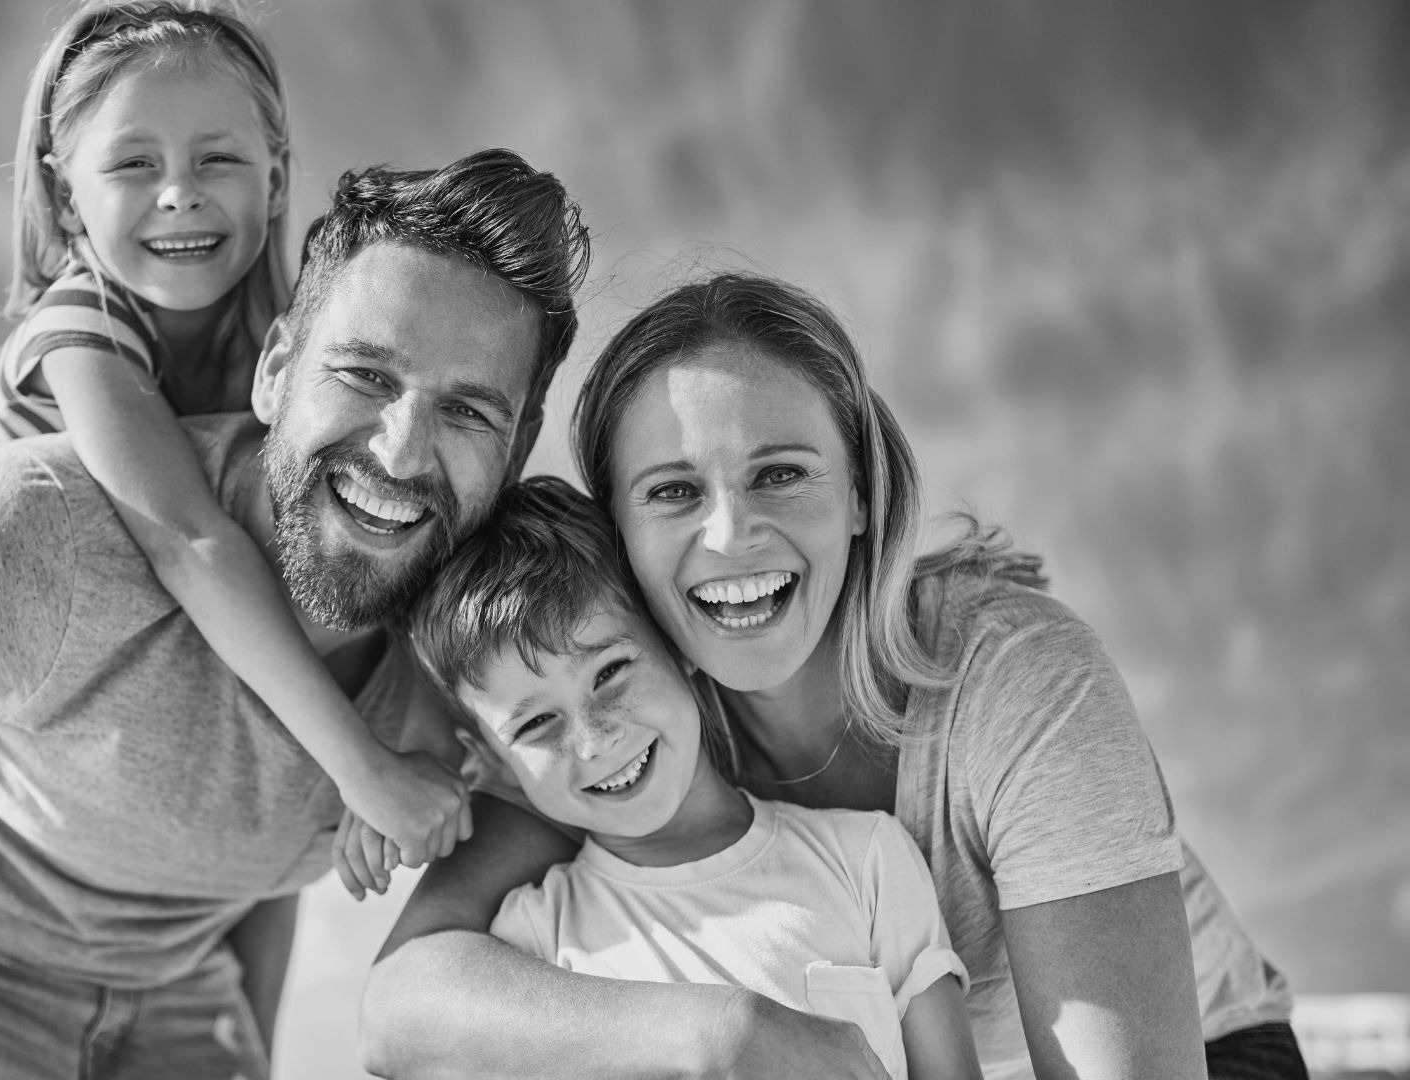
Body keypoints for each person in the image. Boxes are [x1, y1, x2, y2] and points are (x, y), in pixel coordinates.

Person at [0, 146, 588, 1080]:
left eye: (468, 413)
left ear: (516, 449)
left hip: (179, 1012)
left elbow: (249, 866)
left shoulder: (488, 681)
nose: (400, 451)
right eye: (366, 377)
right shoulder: (23, 538)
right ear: (276, 369)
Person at [360, 275, 1303, 1080]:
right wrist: (727, 1034)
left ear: (860, 493)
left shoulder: (1016, 681)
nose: (729, 537)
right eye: (674, 491)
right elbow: (405, 1002)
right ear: (622, 535)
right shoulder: (611, 717)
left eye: (780, 474)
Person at [387, 475, 982, 1080]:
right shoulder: (528, 946)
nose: (596, 738)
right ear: (491, 762)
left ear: (679, 646)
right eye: (537, 723)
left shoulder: (868, 861)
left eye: (611, 670)